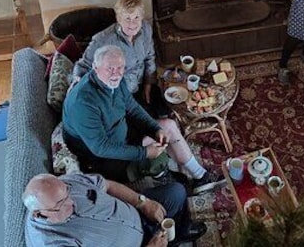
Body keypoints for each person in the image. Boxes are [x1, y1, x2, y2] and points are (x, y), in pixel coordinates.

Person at [63, 45, 222, 194]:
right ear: (95, 68)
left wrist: (155, 129)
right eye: (110, 69)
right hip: (104, 158)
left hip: (119, 129)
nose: (116, 73)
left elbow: (132, 107)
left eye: (120, 68)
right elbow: (100, 147)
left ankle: (200, 176)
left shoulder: (115, 80)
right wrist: (144, 152)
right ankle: (165, 180)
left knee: (168, 126)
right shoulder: (83, 102)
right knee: (157, 156)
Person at [23, 172, 207, 246]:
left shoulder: (65, 183)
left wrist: (141, 202)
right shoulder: (51, 242)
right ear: (40, 214)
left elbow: (108, 185)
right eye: (62, 204)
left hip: (137, 213)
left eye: (68, 193)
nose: (72, 202)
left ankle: (179, 233)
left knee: (176, 192)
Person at [73, 0, 169, 118]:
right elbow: (83, 65)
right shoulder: (103, 40)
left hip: (141, 82)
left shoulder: (146, 29)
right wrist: (77, 87)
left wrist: (148, 83)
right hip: (121, 91)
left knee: (164, 112)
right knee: (142, 125)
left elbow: (150, 56)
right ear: (118, 19)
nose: (133, 23)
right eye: (127, 19)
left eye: (136, 17)